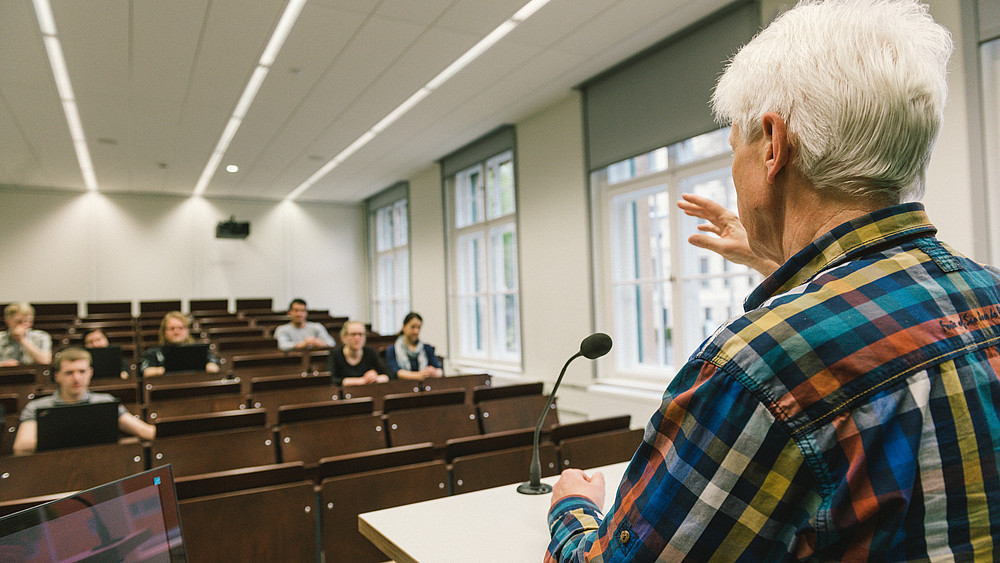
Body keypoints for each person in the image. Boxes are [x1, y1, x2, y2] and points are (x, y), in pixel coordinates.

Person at [547, 1, 1000, 561]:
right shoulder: (987, 293)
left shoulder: (757, 366)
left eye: (733, 148)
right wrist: (777, 259)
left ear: (773, 143)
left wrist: (571, 509)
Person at [12, 347, 155, 454]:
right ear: (57, 376)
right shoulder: (37, 407)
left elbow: (145, 432)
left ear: (90, 373)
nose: (76, 378)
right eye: (69, 373)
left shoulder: (105, 402)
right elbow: (22, 447)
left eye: (82, 371)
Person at [140, 311, 220, 377]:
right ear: (164, 331)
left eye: (181, 328)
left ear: (187, 330)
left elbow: (214, 367)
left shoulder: (199, 351)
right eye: (172, 328)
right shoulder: (153, 353)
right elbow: (147, 372)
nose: (176, 332)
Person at [327, 320, 393, 386]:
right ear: (344, 337)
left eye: (361, 334)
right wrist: (359, 381)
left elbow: (390, 374)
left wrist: (375, 378)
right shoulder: (335, 354)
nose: (357, 338)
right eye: (353, 334)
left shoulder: (370, 352)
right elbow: (329, 379)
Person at [385, 312, 443, 381]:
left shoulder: (427, 348)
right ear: (404, 327)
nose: (416, 331)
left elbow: (439, 371)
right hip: (402, 386)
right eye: (413, 327)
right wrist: (419, 375)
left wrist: (433, 372)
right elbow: (396, 372)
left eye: (419, 328)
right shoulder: (392, 350)